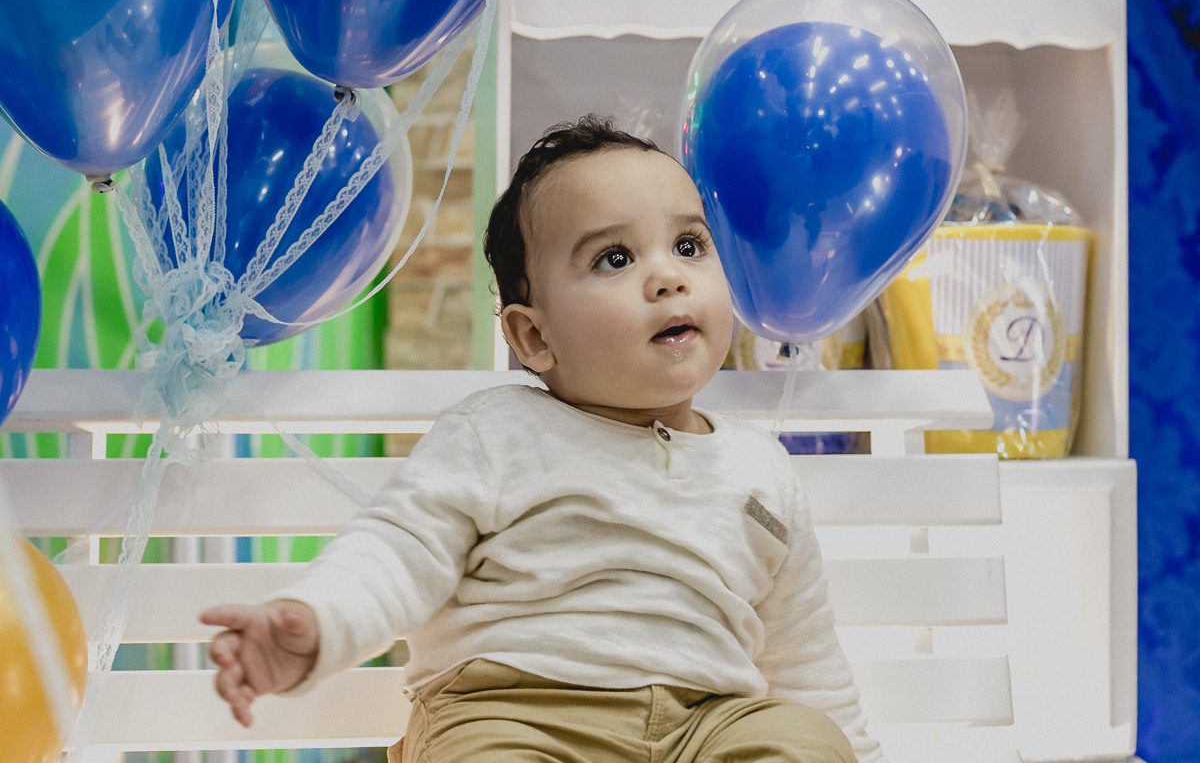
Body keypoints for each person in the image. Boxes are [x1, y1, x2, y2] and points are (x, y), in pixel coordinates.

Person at [201, 115, 884, 763]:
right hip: (513, 713)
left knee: (800, 736)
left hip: (700, 728)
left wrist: (836, 745)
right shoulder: (496, 436)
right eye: (615, 258)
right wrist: (317, 622)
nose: (668, 277)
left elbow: (808, 666)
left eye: (688, 246)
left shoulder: (760, 470)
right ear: (533, 335)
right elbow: (397, 552)